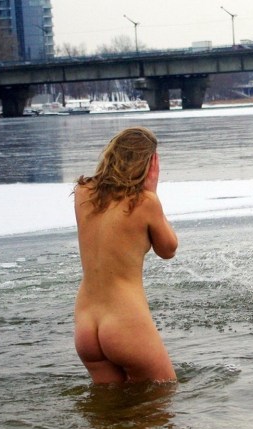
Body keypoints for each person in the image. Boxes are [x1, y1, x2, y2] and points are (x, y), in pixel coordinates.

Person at [73, 127, 179, 384]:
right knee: (164, 396)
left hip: (86, 324)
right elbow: (168, 249)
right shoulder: (145, 202)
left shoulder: (83, 192)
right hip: (124, 322)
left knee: (107, 411)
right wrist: (152, 194)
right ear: (149, 164)